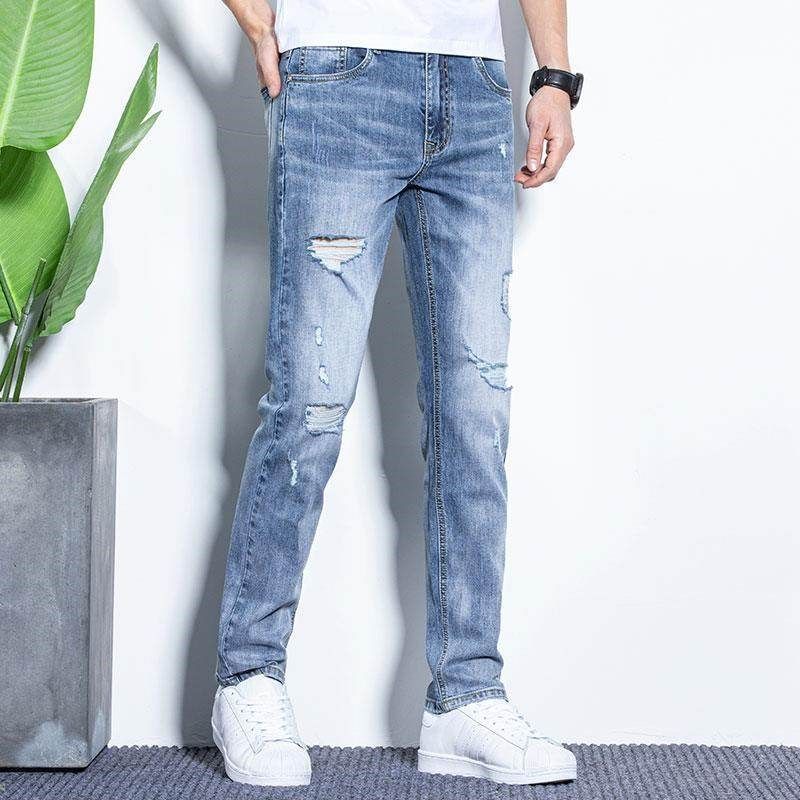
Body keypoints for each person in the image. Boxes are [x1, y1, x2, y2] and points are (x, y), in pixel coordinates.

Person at [212, 0, 582, 787]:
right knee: (310, 405)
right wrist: (256, 20)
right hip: (336, 75)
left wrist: (553, 75)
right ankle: (248, 674)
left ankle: (466, 694)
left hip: (476, 85)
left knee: (476, 412)